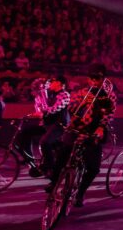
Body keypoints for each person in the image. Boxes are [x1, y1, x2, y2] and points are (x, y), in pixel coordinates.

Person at [49, 64, 117, 207]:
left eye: (97, 79)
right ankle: (54, 183)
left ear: (103, 79)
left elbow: (109, 115)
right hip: (76, 127)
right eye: (91, 78)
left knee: (93, 168)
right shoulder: (80, 92)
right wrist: (80, 106)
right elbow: (70, 109)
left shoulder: (109, 95)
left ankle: (80, 193)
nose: (94, 81)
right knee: (62, 155)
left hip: (94, 131)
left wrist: (100, 128)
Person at [38, 75, 71, 175]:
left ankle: (50, 167)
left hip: (60, 124)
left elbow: (55, 108)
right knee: (24, 133)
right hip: (49, 124)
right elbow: (45, 106)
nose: (50, 84)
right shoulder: (51, 94)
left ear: (59, 84)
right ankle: (29, 160)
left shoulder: (64, 94)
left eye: (53, 82)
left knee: (44, 142)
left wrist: (42, 112)